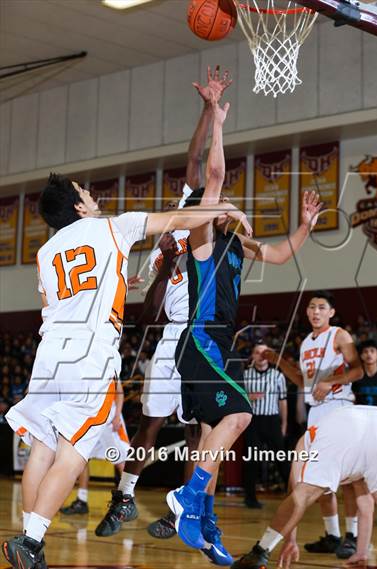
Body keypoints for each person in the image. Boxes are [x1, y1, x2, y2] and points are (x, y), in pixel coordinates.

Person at [1, 170, 249, 569]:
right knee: (72, 452)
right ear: (79, 206)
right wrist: (228, 207)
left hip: (50, 353)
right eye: (84, 191)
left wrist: (116, 279)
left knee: (42, 447)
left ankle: (32, 541)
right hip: (89, 354)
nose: (91, 193)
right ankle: (30, 540)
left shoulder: (45, 253)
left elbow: (58, 298)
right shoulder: (113, 226)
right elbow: (186, 219)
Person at [94, 66, 236, 566]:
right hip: (170, 340)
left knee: (201, 432)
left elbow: (207, 170)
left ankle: (192, 513)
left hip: (201, 338)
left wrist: (214, 112)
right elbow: (148, 314)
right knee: (149, 425)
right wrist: (207, 109)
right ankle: (124, 497)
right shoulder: (171, 233)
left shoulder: (212, 236)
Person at [166, 123, 322, 551]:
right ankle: (188, 496)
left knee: (215, 431)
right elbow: (213, 178)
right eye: (220, 204)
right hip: (200, 339)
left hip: (216, 345)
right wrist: (216, 121)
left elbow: (278, 254)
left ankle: (203, 520)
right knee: (241, 416)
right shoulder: (200, 238)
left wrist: (305, 226)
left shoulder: (237, 244)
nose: (227, 205)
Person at [230, 405, 377, 569]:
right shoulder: (358, 460)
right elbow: (366, 505)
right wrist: (361, 552)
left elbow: (295, 493)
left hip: (344, 426)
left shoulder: (307, 440)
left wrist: (291, 540)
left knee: (303, 494)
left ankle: (260, 552)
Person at [264, 291, 365, 559]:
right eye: (311, 307)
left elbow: (357, 370)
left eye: (321, 307)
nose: (315, 311)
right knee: (318, 479)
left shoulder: (339, 335)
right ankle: (332, 535)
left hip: (340, 408)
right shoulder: (306, 342)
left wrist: (331, 382)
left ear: (331, 312)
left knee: (347, 479)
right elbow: (302, 381)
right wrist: (278, 361)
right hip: (316, 413)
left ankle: (352, 535)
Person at [60, 379, 129, 515]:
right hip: (91, 418)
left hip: (109, 418)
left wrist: (117, 416)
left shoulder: (108, 360)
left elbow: (119, 392)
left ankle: (127, 502)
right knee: (82, 457)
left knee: (121, 460)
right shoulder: (83, 365)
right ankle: (82, 500)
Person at [243, 343, 289, 509]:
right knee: (251, 460)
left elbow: (283, 402)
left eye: (265, 353)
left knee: (281, 458)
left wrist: (284, 424)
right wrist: (249, 397)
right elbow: (238, 399)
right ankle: (250, 498)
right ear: (253, 356)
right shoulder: (245, 375)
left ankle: (292, 493)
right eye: (257, 352)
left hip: (272, 421)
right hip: (252, 422)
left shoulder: (277, 376)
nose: (261, 356)